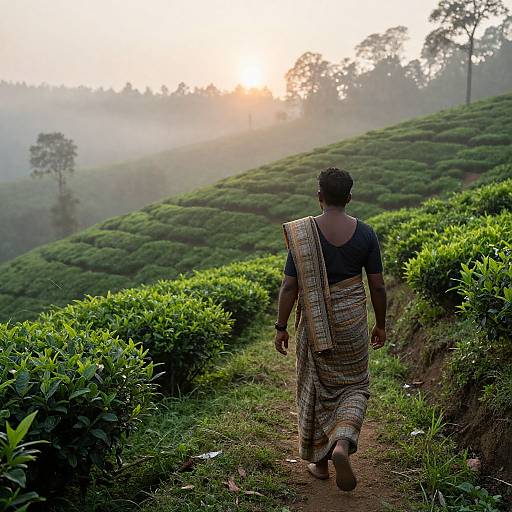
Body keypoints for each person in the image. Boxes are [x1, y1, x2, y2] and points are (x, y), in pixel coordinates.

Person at [274, 167, 386, 492]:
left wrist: (281, 327)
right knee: (355, 387)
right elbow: (377, 287)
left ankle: (320, 463)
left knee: (314, 384)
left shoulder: (303, 235)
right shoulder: (366, 234)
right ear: (350, 197)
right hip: (352, 323)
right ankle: (343, 442)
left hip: (315, 326)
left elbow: (289, 287)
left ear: (319, 196)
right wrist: (381, 323)